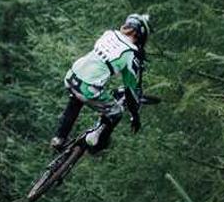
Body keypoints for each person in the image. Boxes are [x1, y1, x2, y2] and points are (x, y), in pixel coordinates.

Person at [50, 13, 151, 152]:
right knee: (116, 112)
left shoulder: (108, 34)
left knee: (75, 100)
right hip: (89, 87)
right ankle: (95, 140)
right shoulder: (130, 54)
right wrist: (135, 116)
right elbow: (130, 90)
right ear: (140, 35)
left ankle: (59, 138)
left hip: (72, 76)